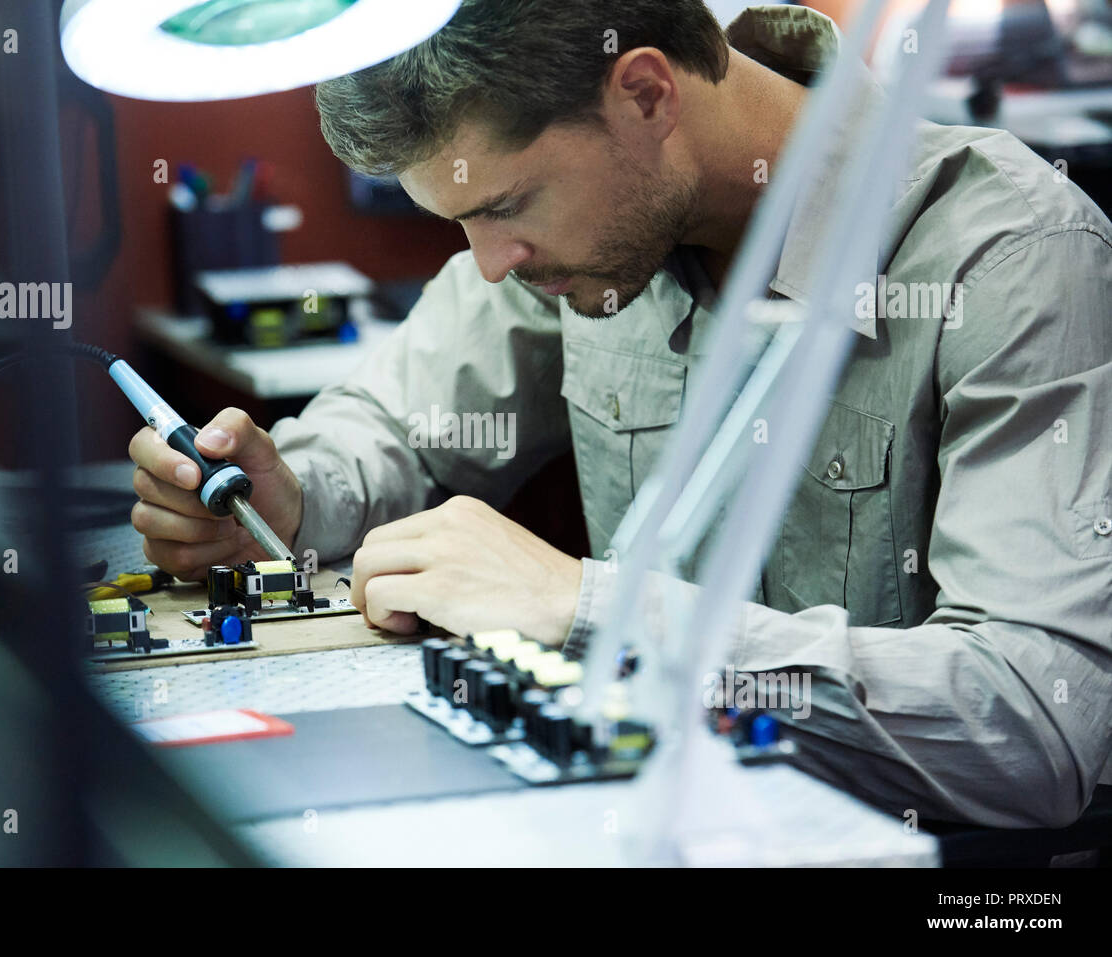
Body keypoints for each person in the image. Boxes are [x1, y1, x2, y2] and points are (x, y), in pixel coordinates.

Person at [128, 2, 1112, 828]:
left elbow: (1033, 723)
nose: (487, 261)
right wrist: (292, 494)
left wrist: (595, 613)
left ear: (644, 93)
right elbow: (392, 422)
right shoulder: (576, 243)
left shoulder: (1015, 253)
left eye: (505, 204)